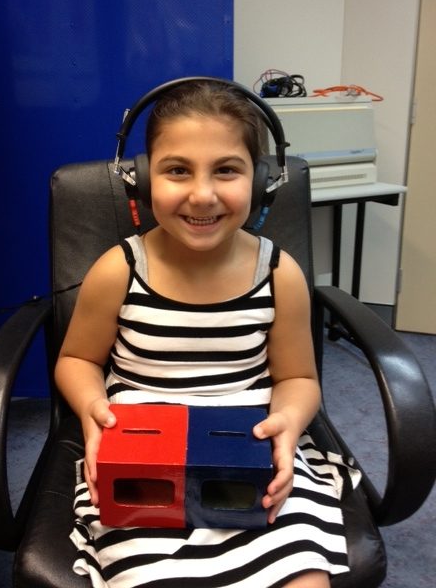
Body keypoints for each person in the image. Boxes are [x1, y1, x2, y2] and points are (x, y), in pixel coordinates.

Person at [55, 79, 359, 588]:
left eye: (226, 170)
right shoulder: (119, 269)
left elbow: (300, 376)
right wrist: (92, 415)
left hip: (253, 447)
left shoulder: (278, 274)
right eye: (177, 170)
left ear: (261, 181)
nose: (202, 194)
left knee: (302, 573)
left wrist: (287, 420)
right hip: (140, 449)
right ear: (143, 181)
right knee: (151, 573)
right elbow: (77, 360)